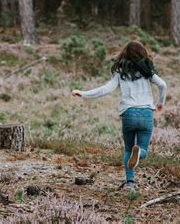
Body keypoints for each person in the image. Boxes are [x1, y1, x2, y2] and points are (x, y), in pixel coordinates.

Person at [71, 41, 167, 190]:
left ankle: (130, 183)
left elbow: (106, 89)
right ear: (143, 53)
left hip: (129, 113)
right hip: (146, 113)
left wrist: (84, 93)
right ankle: (139, 153)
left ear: (125, 54)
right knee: (143, 150)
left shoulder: (121, 71)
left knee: (128, 149)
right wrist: (160, 104)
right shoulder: (147, 71)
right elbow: (163, 85)